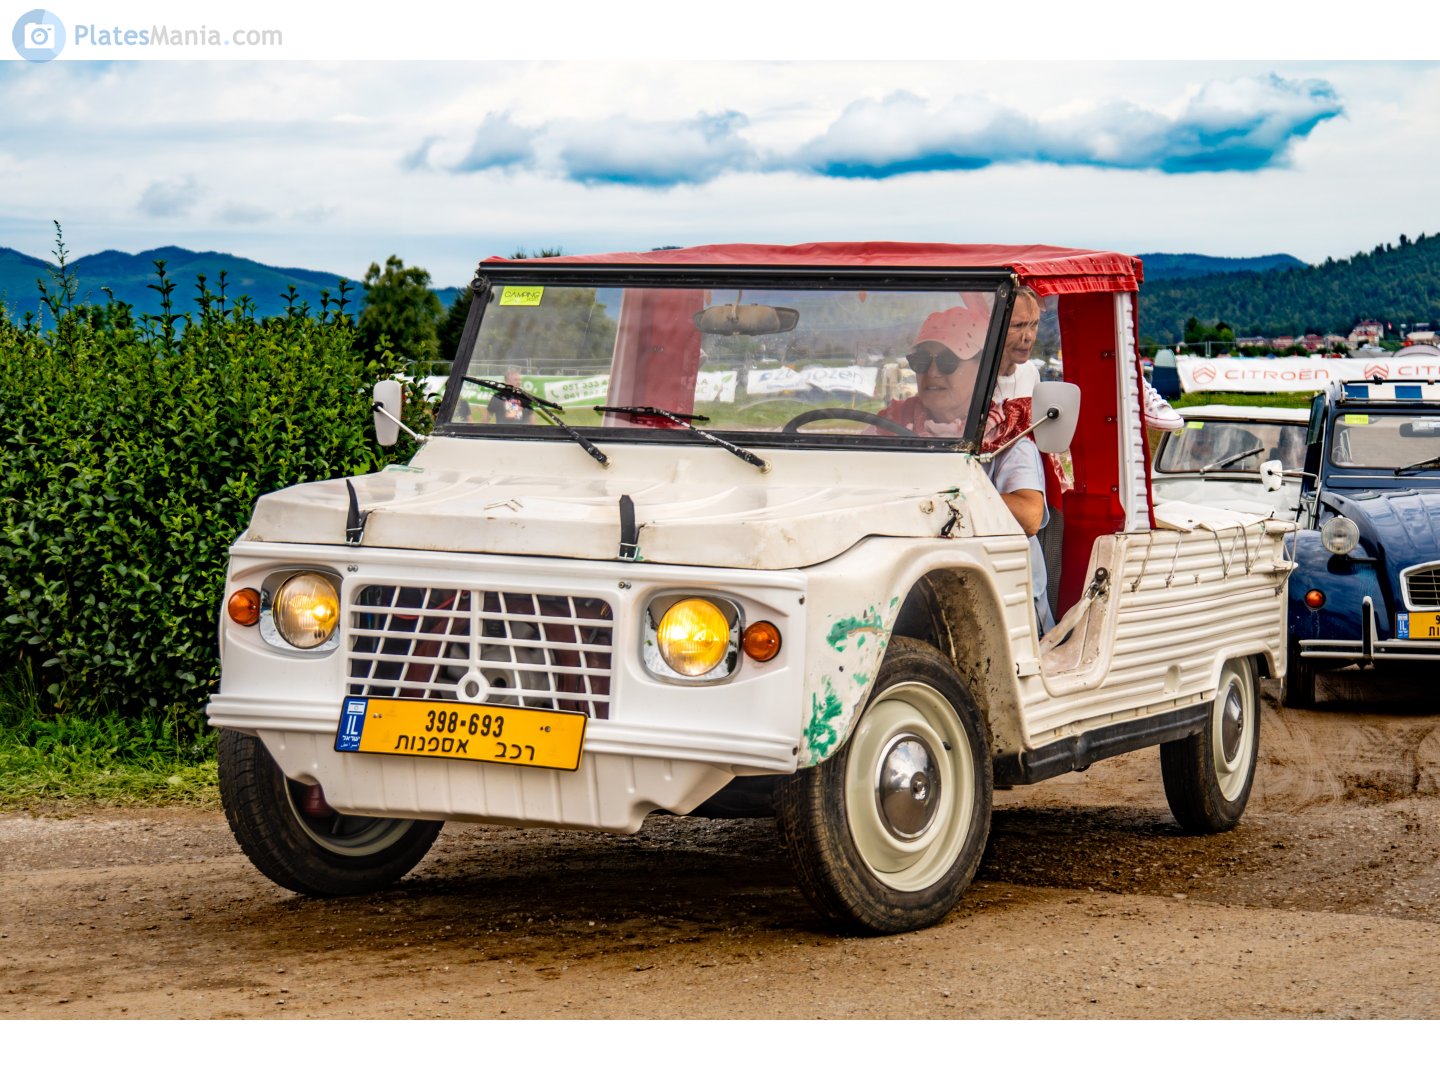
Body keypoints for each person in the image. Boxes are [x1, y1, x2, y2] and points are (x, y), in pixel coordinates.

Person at [878, 304, 1054, 631]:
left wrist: (936, 500)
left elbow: (1030, 516)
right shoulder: (890, 424)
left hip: (994, 597)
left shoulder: (1004, 434)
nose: (931, 373)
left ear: (979, 369)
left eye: (946, 361)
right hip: (904, 587)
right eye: (921, 361)